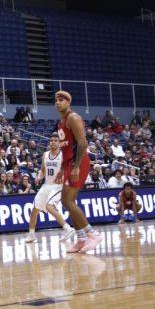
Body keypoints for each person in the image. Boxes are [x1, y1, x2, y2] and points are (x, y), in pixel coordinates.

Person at [53, 91, 100, 253]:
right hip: (68, 164)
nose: (58, 103)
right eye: (56, 101)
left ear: (68, 102)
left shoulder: (73, 118)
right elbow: (65, 149)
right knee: (66, 201)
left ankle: (92, 234)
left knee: (68, 201)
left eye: (61, 100)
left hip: (78, 163)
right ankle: (81, 238)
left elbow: (82, 144)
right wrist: (61, 169)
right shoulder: (61, 122)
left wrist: (76, 166)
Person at [25, 133, 75, 243]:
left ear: (59, 143)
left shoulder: (63, 155)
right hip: (46, 185)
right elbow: (43, 170)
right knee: (34, 210)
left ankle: (68, 229)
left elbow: (69, 169)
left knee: (49, 206)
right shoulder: (45, 154)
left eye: (55, 140)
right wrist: (39, 177)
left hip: (58, 186)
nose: (53, 142)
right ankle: (31, 235)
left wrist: (63, 174)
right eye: (51, 140)